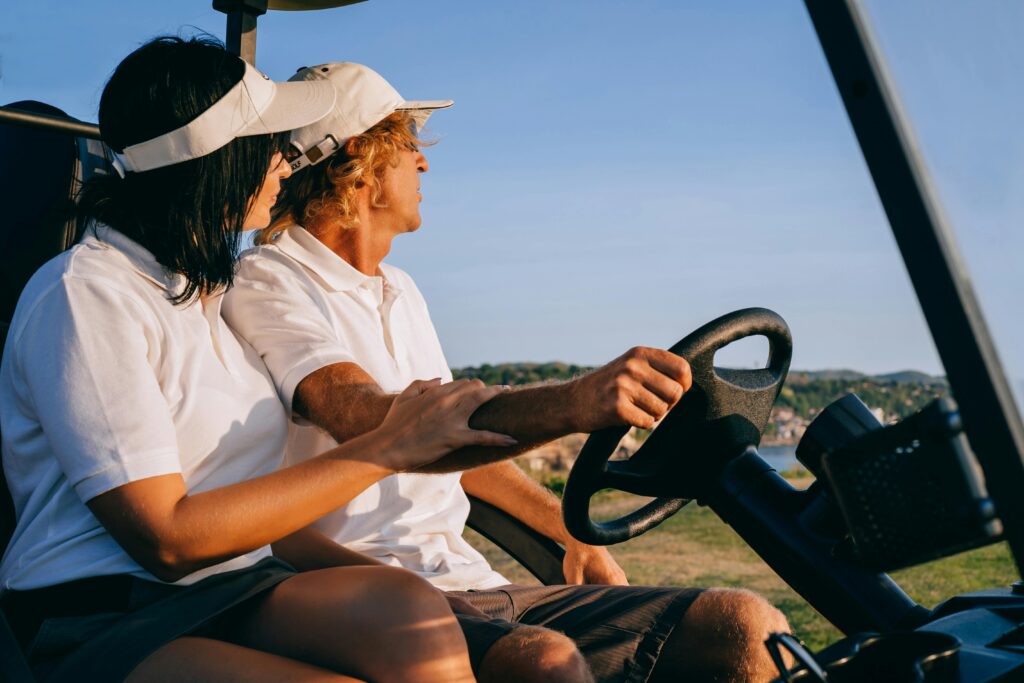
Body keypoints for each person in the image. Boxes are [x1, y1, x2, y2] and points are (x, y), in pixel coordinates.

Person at [222, 62, 792, 683]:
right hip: (361, 602)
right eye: (410, 146)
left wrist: (572, 532)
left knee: (746, 628)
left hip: (473, 581)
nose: (425, 165)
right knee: (545, 665)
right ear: (360, 158)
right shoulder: (268, 281)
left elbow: (461, 441)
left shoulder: (401, 290)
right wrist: (575, 403)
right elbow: (367, 418)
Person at [0, 39, 515, 683]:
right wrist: (387, 447)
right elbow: (168, 540)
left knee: (408, 612)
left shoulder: (202, 294)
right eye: (267, 142)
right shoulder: (85, 294)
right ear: (214, 158)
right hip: (107, 607)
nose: (282, 163)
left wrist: (414, 588)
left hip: (231, 584)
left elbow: (241, 509)